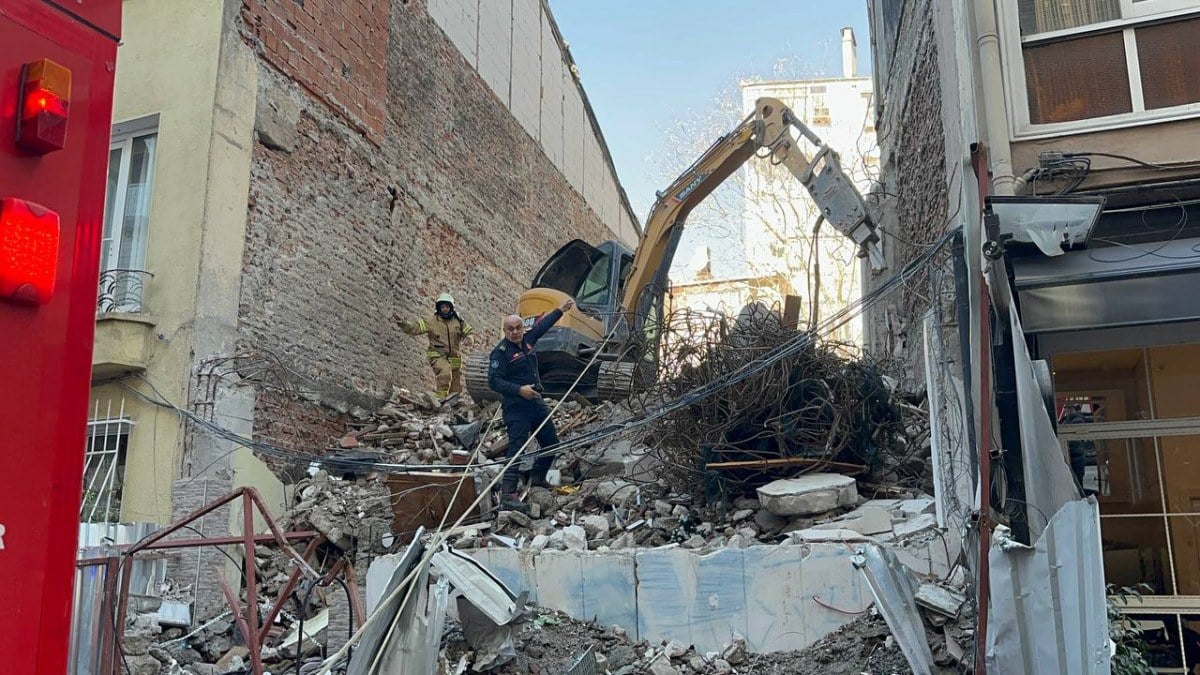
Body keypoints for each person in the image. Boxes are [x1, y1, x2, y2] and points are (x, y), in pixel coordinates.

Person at [488, 298, 574, 510]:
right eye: (510, 329)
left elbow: (542, 326)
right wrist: (519, 390)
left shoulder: (528, 340)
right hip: (516, 408)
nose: (515, 332)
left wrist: (560, 310)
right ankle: (508, 495)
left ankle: (537, 477)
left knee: (551, 442)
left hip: (536, 403)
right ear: (505, 331)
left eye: (518, 328)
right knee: (516, 449)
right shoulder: (500, 354)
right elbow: (494, 381)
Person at [395, 292, 474, 400]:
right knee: (445, 373)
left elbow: (468, 332)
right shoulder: (431, 321)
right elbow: (414, 328)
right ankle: (440, 400)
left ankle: (454, 402)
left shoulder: (458, 321)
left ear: (451, 307)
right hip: (437, 354)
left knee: (455, 380)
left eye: (447, 306)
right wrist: (403, 323)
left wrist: (469, 339)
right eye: (443, 306)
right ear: (439, 307)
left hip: (454, 356)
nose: (445, 309)